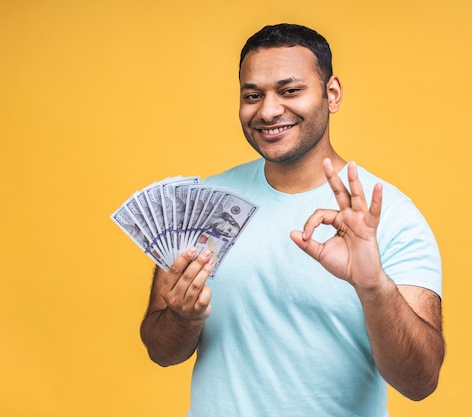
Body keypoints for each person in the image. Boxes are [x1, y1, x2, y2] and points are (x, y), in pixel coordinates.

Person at [140, 23, 445, 417]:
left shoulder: (390, 216)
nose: (268, 111)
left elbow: (421, 382)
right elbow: (160, 351)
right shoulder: (202, 206)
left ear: (331, 94)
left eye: (290, 91)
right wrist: (182, 317)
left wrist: (373, 286)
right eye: (253, 95)